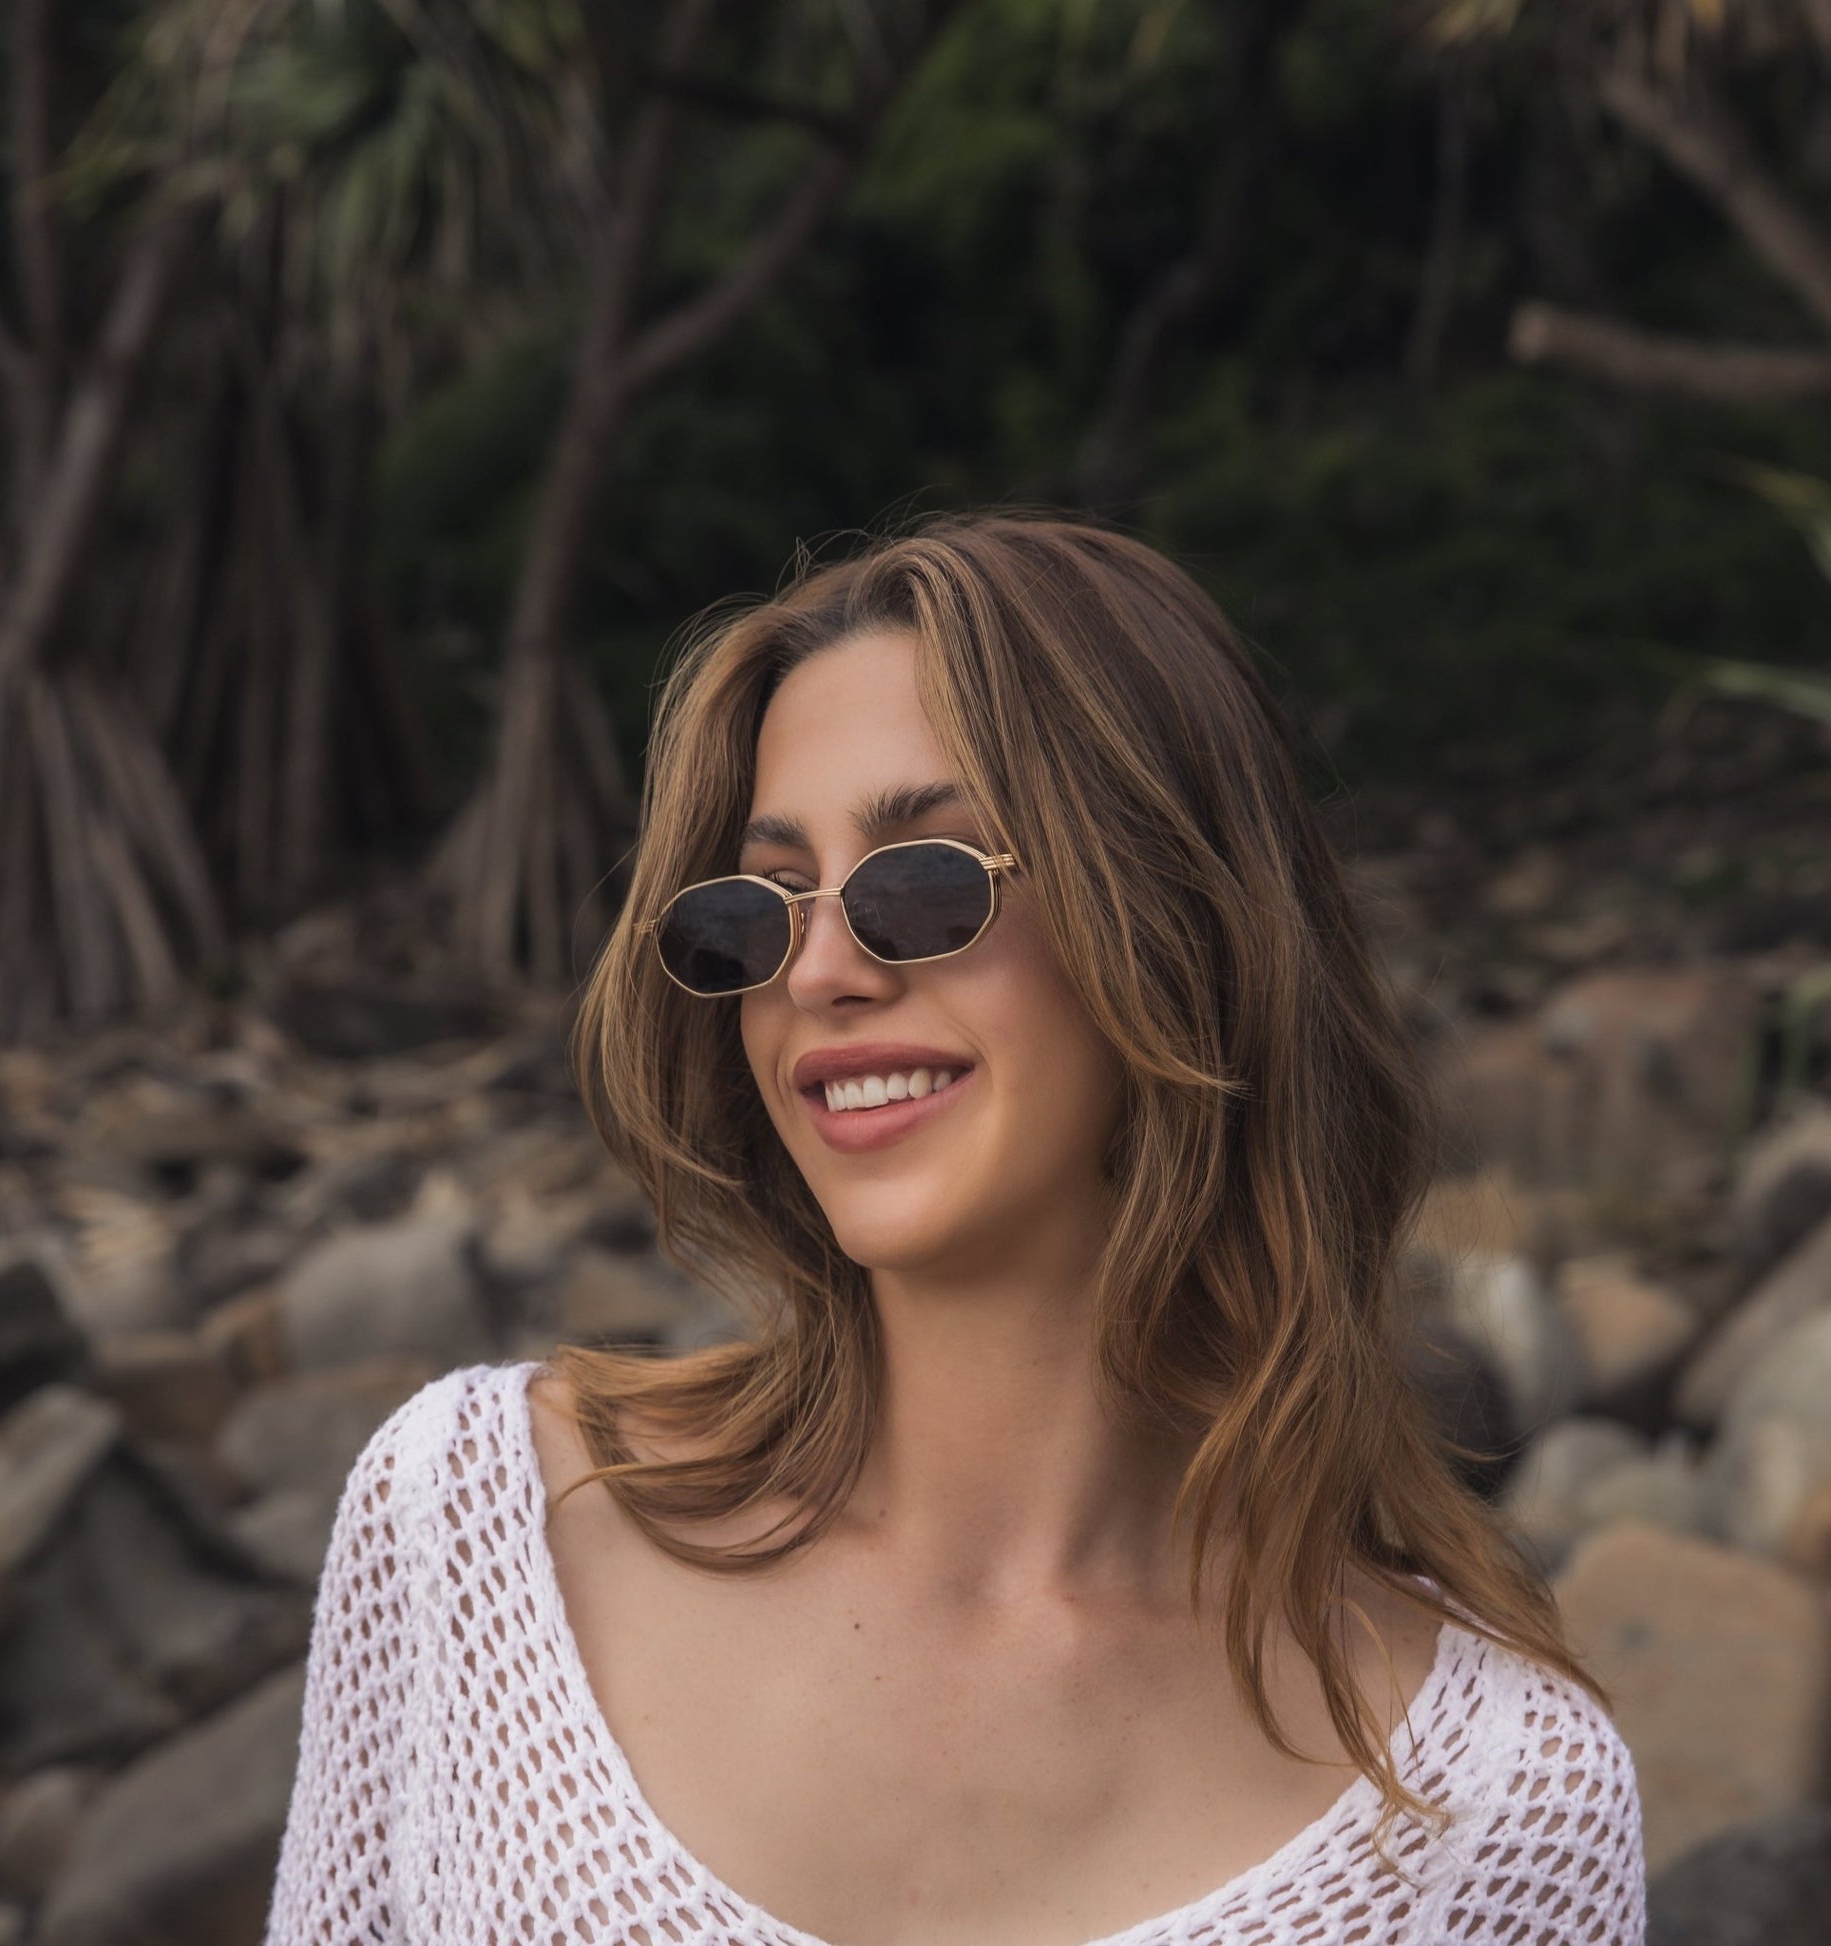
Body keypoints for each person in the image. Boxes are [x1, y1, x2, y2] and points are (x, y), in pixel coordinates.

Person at [262, 513, 1646, 1946]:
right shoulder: (480, 1527)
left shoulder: (1492, 1804)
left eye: (919, 884)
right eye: (759, 907)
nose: (818, 971)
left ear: (1180, 927)